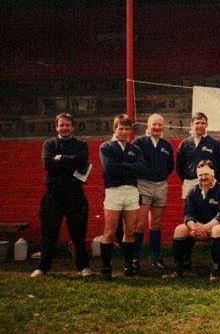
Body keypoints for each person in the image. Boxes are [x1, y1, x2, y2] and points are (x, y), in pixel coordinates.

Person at [31, 113, 92, 278]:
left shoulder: (81, 144)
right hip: (53, 193)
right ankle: (43, 267)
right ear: (56, 127)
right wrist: (68, 161)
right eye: (61, 125)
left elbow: (82, 161)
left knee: (78, 232)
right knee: (49, 232)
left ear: (73, 127)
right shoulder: (49, 144)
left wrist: (60, 159)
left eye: (67, 125)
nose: (64, 128)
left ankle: (83, 267)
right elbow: (48, 164)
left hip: (75, 193)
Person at [98, 114, 146, 280]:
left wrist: (123, 167)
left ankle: (128, 266)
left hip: (132, 191)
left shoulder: (135, 149)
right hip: (114, 191)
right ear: (114, 129)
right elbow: (109, 168)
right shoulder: (106, 147)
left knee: (130, 231)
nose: (124, 131)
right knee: (110, 232)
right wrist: (130, 168)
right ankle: (106, 267)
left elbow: (141, 168)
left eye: (127, 128)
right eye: (121, 128)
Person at [164, 160, 220, 281]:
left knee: (217, 229)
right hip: (197, 227)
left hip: (214, 226)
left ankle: (216, 268)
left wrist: (205, 227)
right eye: (200, 175)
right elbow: (188, 213)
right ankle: (177, 267)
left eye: (206, 174)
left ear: (213, 174)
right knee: (179, 230)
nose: (203, 177)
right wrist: (193, 227)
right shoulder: (193, 191)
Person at [132, 113, 174, 271]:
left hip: (161, 185)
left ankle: (156, 258)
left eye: (159, 124)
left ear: (163, 126)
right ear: (147, 126)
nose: (157, 127)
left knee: (156, 224)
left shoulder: (166, 145)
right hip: (143, 185)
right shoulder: (139, 142)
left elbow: (170, 167)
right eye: (154, 124)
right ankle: (135, 258)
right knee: (140, 224)